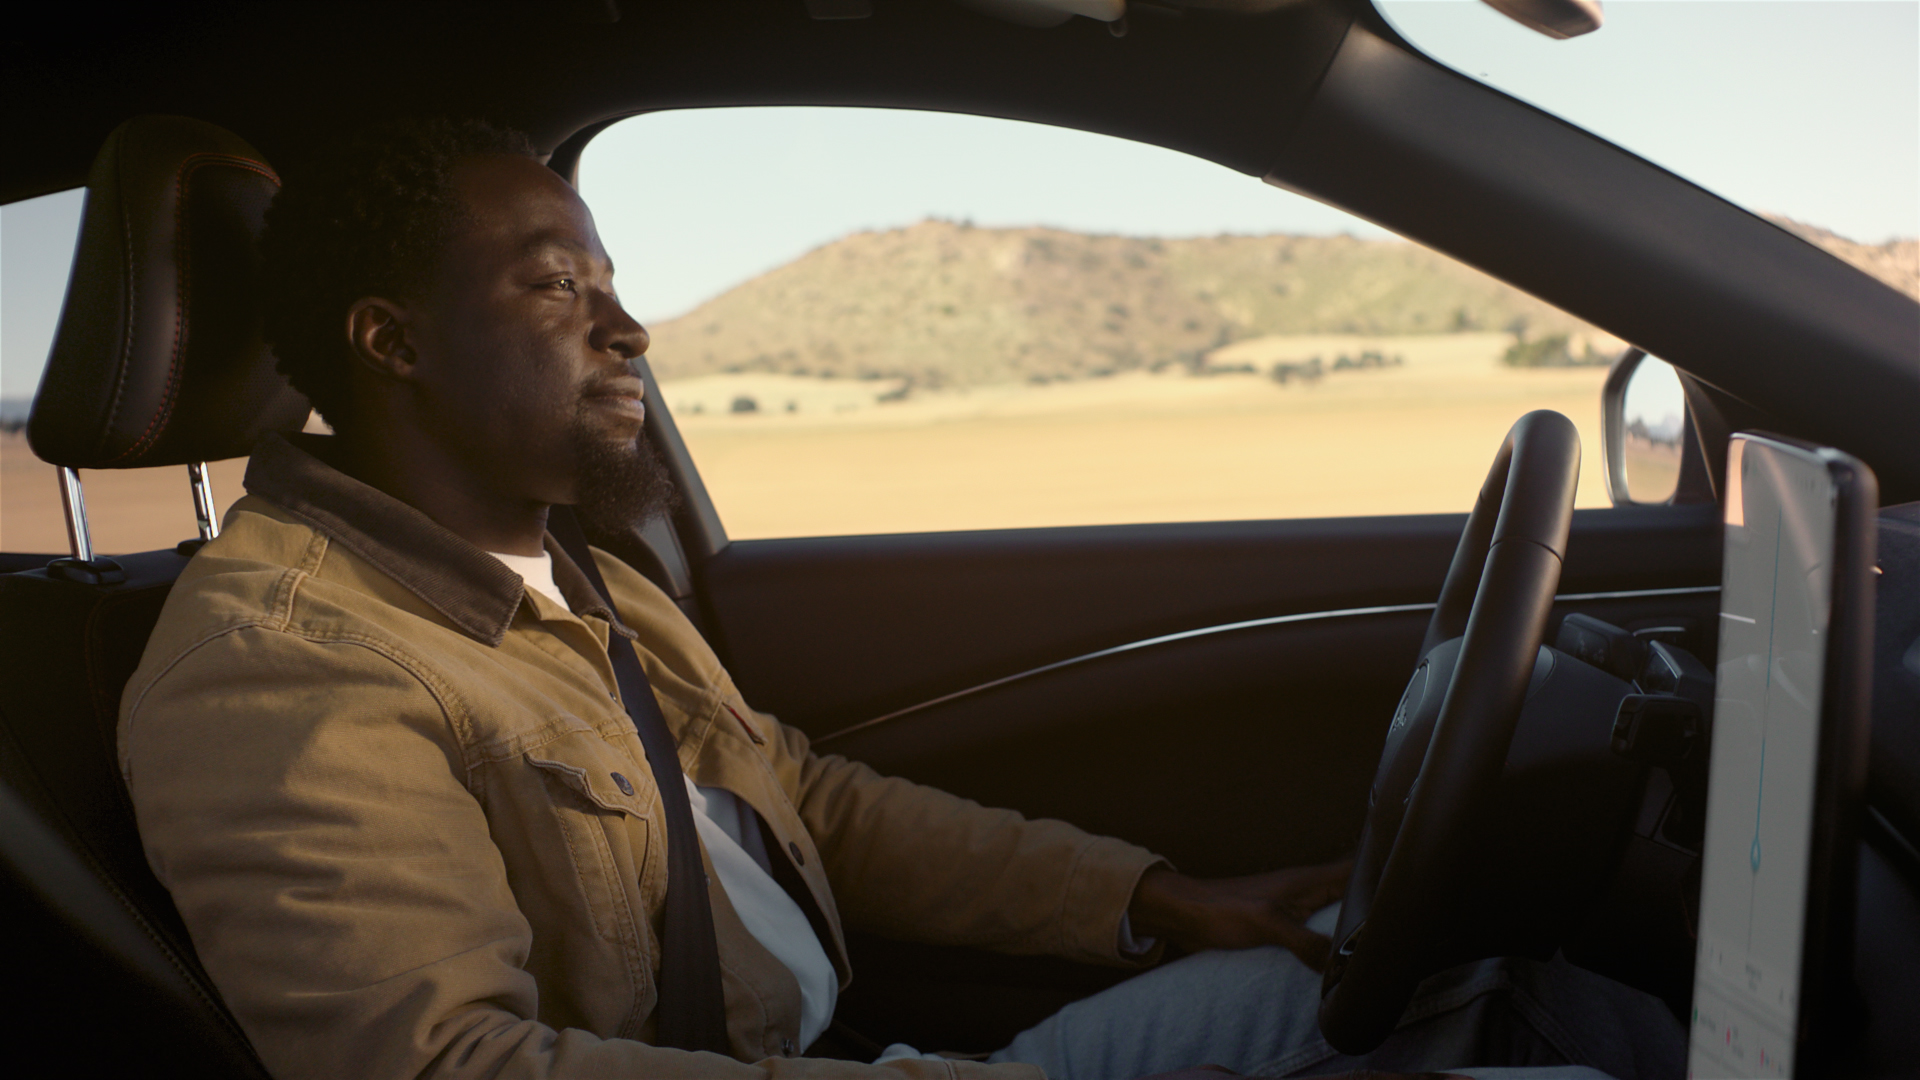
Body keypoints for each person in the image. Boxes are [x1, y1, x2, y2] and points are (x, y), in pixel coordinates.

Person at [118, 119, 1682, 1080]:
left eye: (608, 280)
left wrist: (1149, 901)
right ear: (392, 343)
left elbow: (797, 794)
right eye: (557, 286)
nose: (631, 326)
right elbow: (450, 1068)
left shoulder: (560, 571)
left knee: (1496, 991)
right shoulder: (286, 671)